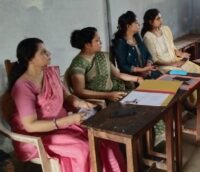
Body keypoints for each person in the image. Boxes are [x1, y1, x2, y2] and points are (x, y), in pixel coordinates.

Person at [6, 38, 125, 171]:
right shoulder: (23, 86)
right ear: (30, 59)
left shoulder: (50, 74)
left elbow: (67, 95)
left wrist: (81, 103)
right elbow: (30, 125)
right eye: (43, 52)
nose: (49, 54)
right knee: (84, 148)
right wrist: (67, 121)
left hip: (63, 124)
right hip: (39, 135)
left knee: (104, 137)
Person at [142, 8, 200, 117]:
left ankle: (198, 103)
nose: (161, 21)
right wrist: (173, 64)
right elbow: (155, 60)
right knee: (188, 77)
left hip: (175, 59)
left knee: (196, 70)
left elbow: (173, 47)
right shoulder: (148, 37)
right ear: (150, 22)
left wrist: (180, 54)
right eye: (158, 19)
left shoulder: (166, 29)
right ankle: (193, 106)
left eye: (161, 18)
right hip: (164, 66)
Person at [67, 27, 141, 103]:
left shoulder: (100, 56)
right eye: (97, 40)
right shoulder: (78, 64)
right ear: (87, 44)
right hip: (102, 98)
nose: (101, 42)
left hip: (115, 91)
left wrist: (138, 79)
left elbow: (117, 74)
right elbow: (80, 91)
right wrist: (107, 95)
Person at [112, 11, 161, 79]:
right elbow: (123, 66)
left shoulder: (137, 37)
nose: (138, 24)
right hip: (133, 77)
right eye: (135, 22)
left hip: (147, 72)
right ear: (128, 26)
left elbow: (148, 54)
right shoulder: (120, 43)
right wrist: (142, 70)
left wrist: (148, 66)